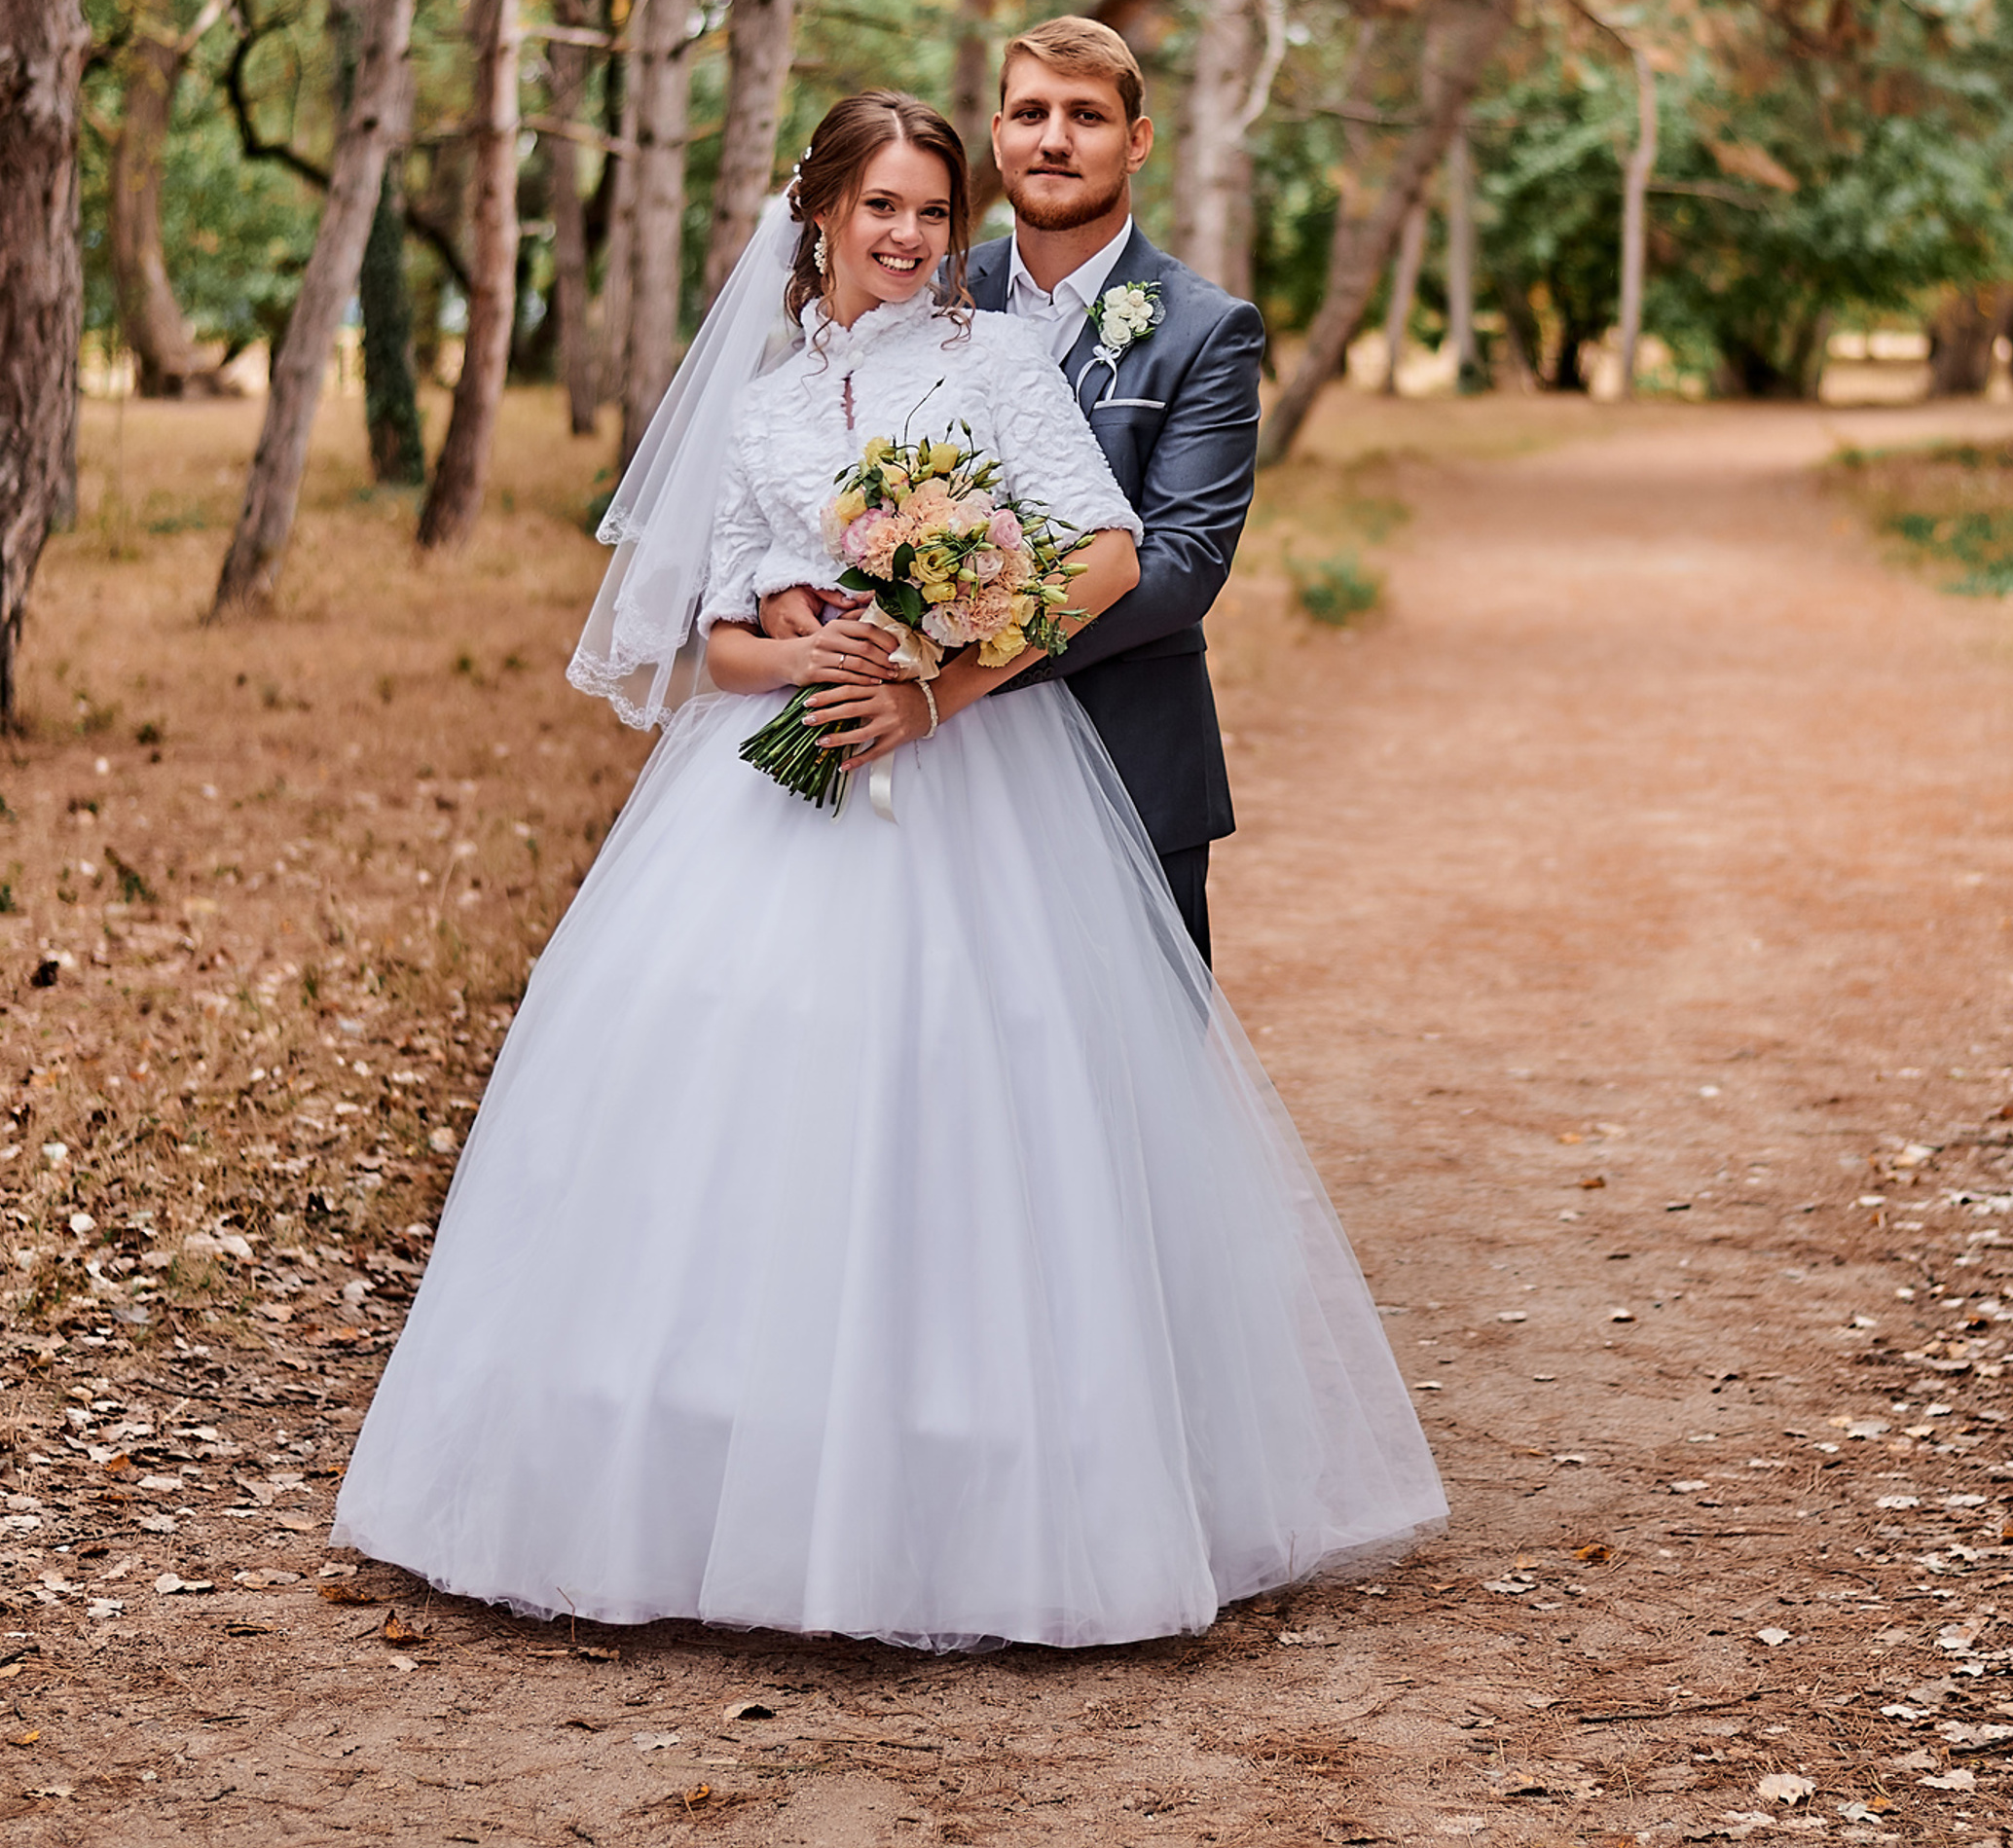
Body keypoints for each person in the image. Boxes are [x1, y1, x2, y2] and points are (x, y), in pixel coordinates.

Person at [330, 91, 1443, 1651]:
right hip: (777, 796)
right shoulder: (772, 405)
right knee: (750, 1096)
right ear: (824, 221)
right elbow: (708, 642)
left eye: (934, 211)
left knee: (974, 1094)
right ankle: (722, 1463)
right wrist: (803, 661)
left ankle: (973, 1474)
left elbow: (1110, 553)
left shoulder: (996, 361)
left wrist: (936, 668)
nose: (915, 239)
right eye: (886, 212)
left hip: (986, 786)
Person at [760, 17, 1258, 965]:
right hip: (930, 786)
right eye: (1030, 112)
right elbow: (817, 463)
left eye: (1086, 115)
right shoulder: (923, 286)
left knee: (1132, 1077)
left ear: (1136, 141)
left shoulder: (1204, 329)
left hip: (1125, 756)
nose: (1054, 138)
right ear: (997, 136)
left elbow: (1180, 568)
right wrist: (795, 601)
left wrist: (945, 661)